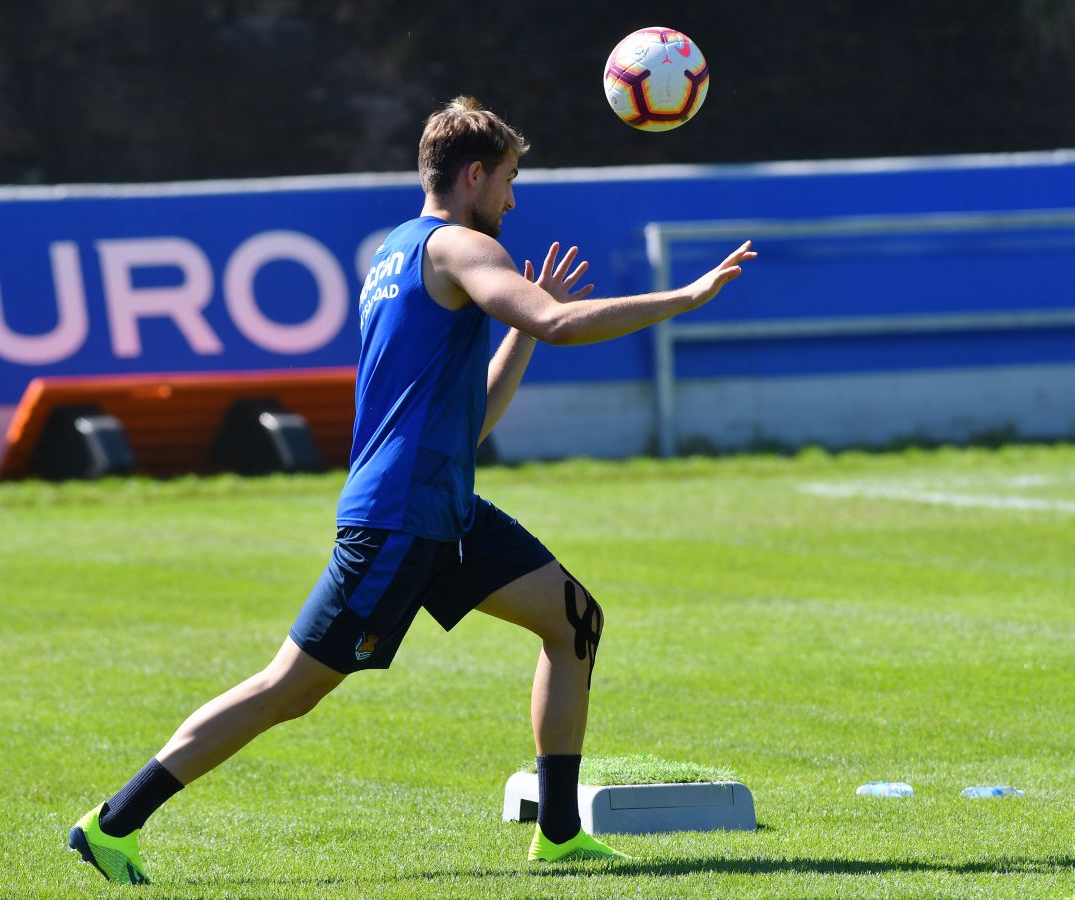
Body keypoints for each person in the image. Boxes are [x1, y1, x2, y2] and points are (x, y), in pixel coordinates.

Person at [68, 96, 757, 883]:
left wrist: (523, 334)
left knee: (574, 623)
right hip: (400, 519)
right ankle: (113, 823)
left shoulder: (400, 250)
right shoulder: (461, 248)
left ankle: (561, 832)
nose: (513, 198)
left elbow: (473, 421)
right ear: (473, 175)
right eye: (508, 179)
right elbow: (561, 323)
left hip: (444, 508)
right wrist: (683, 299)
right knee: (288, 690)